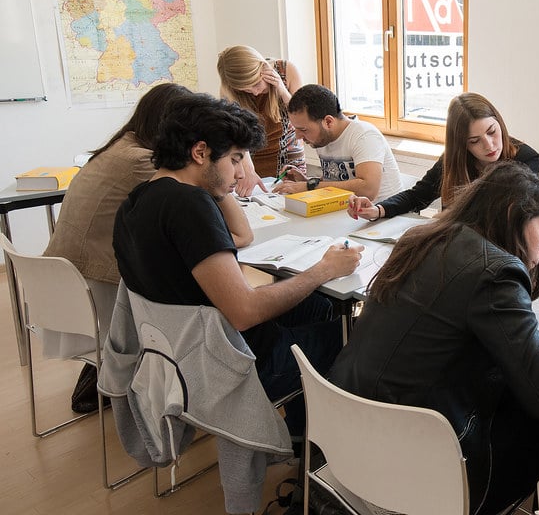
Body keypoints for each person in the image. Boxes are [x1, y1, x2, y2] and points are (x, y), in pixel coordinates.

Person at [328, 162, 539, 515]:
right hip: (425, 468)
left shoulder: (420, 238)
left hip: (350, 439)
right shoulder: (497, 271)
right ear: (511, 215)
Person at [112, 93, 363, 432]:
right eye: (235, 159)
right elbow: (244, 311)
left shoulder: (139, 198)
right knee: (355, 333)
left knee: (318, 306)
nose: (241, 172)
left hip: (180, 356)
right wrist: (324, 270)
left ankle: (302, 432)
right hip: (231, 363)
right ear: (200, 152)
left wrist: (219, 183)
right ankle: (327, 439)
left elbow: (241, 236)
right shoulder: (189, 207)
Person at [43, 82, 193, 414]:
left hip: (66, 277)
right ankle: (156, 383)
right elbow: (192, 199)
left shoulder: (122, 146)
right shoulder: (141, 161)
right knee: (188, 290)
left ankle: (111, 371)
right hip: (95, 281)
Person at [347, 92, 539, 220]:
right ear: (461, 144)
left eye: (492, 132)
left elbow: (506, 213)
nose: (489, 145)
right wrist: (378, 210)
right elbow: (418, 196)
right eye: (474, 141)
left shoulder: (526, 159)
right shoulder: (454, 159)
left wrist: (450, 217)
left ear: (500, 123)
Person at [271, 83, 402, 201]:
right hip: (348, 211)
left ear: (328, 122)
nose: (298, 136)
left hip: (382, 214)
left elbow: (368, 190)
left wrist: (309, 186)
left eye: (303, 129)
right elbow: (336, 181)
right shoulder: (322, 138)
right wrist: (305, 181)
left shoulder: (365, 136)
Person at [217, 44, 306, 196]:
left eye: (256, 84)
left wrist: (282, 90)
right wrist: (249, 171)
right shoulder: (229, 91)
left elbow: (303, 119)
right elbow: (238, 135)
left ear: (263, 67)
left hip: (289, 160)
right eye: (246, 90)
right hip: (252, 161)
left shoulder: (286, 71)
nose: (255, 92)